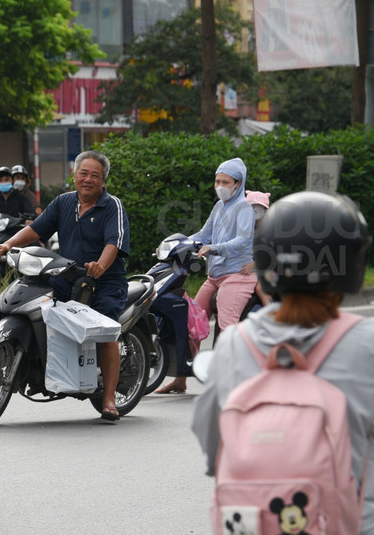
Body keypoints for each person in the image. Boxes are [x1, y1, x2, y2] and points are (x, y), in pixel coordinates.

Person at [192, 191, 374, 532]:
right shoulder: (367, 344)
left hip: (255, 520)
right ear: (350, 265)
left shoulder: (234, 343)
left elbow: (212, 444)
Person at [0, 150, 130, 421]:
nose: (88, 179)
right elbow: (36, 229)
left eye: (95, 175)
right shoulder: (64, 202)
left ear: (103, 180)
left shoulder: (112, 205)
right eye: (83, 173)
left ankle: (109, 398)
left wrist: (101, 265)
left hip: (105, 282)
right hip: (68, 277)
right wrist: (8, 243)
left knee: (105, 332)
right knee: (38, 307)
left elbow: (113, 242)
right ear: (74, 175)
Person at [156, 158, 256, 394]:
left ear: (238, 183)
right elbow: (204, 234)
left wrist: (214, 248)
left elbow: (243, 241)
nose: (220, 186)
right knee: (191, 322)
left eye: (225, 182)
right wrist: (176, 244)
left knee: (228, 326)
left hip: (237, 275)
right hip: (215, 276)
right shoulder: (220, 206)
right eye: (217, 181)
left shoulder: (244, 208)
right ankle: (181, 379)